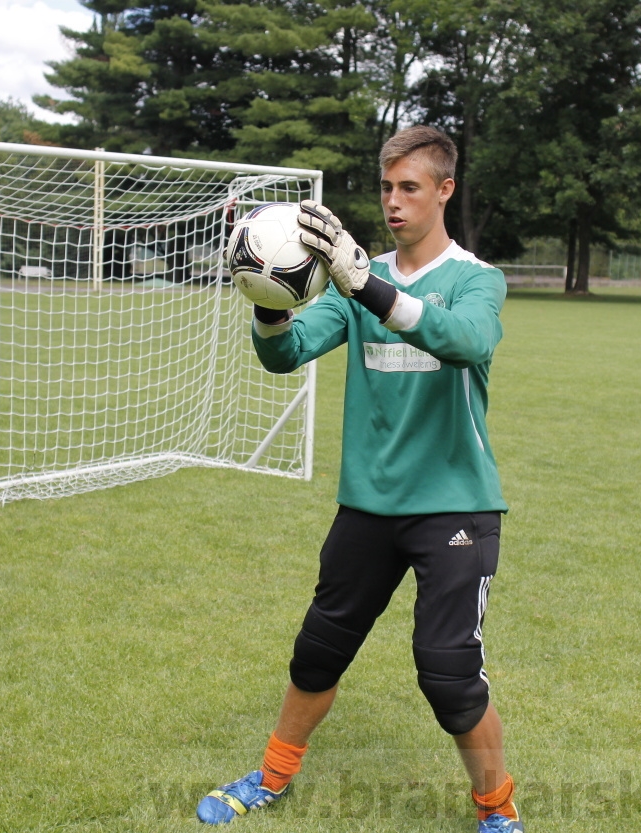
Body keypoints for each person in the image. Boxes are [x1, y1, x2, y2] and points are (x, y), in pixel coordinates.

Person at [196, 125, 520, 832]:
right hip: (368, 507)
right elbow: (286, 355)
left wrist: (366, 284)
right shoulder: (353, 277)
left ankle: (498, 809)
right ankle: (272, 776)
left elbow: (463, 339)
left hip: (455, 508)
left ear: (445, 190)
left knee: (449, 676)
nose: (394, 202)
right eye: (386, 187)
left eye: (410, 187)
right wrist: (270, 302)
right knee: (318, 651)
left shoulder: (476, 279)